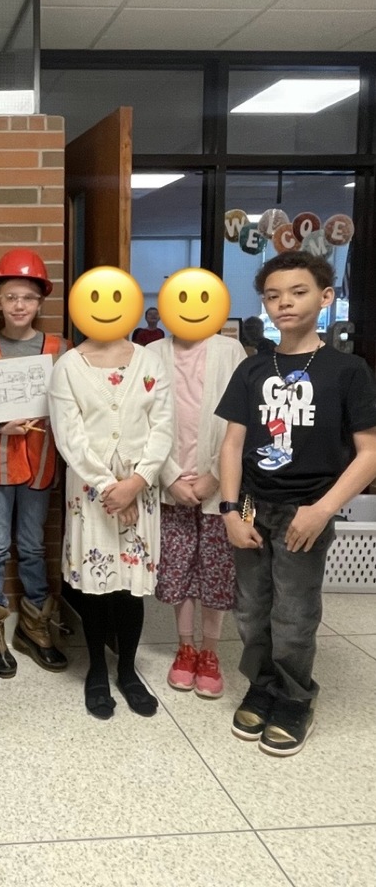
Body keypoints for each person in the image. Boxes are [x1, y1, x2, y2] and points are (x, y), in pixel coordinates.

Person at [216, 251, 376, 757]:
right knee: (250, 609)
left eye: (298, 292)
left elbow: (370, 453)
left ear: (325, 297)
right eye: (273, 295)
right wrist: (229, 511)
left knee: (293, 613)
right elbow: (231, 446)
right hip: (250, 505)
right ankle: (261, 685)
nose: (284, 302)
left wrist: (322, 510)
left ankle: (294, 697)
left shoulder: (347, 370)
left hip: (306, 510)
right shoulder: (251, 369)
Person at [49, 319, 173, 719]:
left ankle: (127, 669)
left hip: (141, 484)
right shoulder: (68, 365)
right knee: (96, 587)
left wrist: (136, 482)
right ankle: (97, 670)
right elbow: (69, 436)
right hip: (91, 490)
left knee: (130, 588)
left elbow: (163, 426)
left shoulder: (149, 361)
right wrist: (109, 487)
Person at [0, 249, 69, 678]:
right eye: (11, 297)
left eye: (28, 297)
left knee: (31, 546)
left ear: (41, 301)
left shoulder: (59, 349)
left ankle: (34, 625)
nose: (19, 305)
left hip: (40, 461)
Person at [147, 329, 247, 698]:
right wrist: (169, 476)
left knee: (216, 569)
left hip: (219, 486)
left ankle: (210, 651)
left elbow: (244, 419)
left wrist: (215, 477)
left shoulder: (230, 350)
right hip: (170, 483)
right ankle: (185, 647)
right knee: (178, 567)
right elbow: (142, 420)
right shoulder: (152, 352)